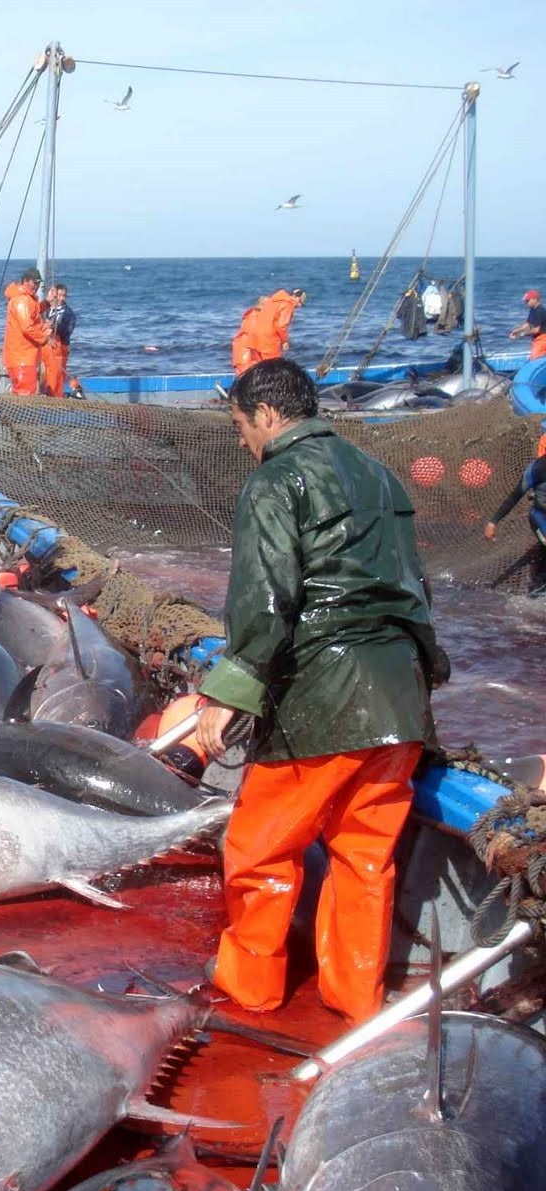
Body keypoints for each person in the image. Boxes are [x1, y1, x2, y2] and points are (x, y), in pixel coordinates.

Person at [194, 357, 444, 1025]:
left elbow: (266, 599)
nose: (245, 439)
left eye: (243, 424)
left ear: (269, 416)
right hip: (399, 700)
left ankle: (250, 989)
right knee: (365, 857)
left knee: (261, 848)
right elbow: (414, 587)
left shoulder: (276, 479)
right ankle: (356, 999)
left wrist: (227, 693)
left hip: (321, 698)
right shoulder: (379, 475)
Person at [483, 452, 546, 592]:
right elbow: (515, 496)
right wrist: (493, 522)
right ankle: (534, 594)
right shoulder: (537, 467)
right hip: (540, 517)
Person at [232, 288, 306, 374]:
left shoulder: (272, 301)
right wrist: (285, 341)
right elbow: (281, 325)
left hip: (255, 339)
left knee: (259, 367)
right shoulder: (288, 304)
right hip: (268, 340)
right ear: (295, 297)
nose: (299, 305)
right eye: (300, 302)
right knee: (272, 368)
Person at [0, 267, 49, 396]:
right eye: (34, 282)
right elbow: (27, 327)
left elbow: (33, 311)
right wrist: (45, 337)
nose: (37, 286)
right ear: (25, 281)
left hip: (18, 358)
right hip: (23, 359)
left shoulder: (22, 298)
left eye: (38, 283)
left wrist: (47, 303)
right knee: (25, 397)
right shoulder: (22, 300)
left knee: (20, 395)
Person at [39, 282, 77, 397]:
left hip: (58, 349)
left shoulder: (69, 314)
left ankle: (55, 400)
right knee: (41, 377)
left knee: (55, 379)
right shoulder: (45, 309)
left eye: (63, 296)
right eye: (58, 295)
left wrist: (53, 325)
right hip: (43, 348)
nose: (61, 298)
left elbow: (67, 331)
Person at [508, 289, 546, 360]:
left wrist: (521, 334)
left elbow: (536, 330)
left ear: (535, 299)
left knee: (535, 359)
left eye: (527, 301)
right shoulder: (533, 309)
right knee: (533, 357)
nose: (526, 303)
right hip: (537, 339)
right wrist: (516, 331)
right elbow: (528, 324)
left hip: (543, 339)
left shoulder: (540, 310)